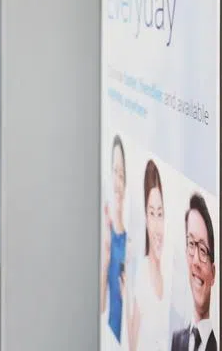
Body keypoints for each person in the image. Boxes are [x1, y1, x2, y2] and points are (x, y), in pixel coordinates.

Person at [127, 160, 171, 350]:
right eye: (151, 214)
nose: (156, 226)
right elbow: (132, 342)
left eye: (160, 214)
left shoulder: (168, 274)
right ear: (145, 218)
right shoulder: (141, 275)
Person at [170, 194, 217, 351]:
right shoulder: (176, 340)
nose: (195, 261)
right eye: (191, 244)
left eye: (203, 250)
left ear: (213, 272)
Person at [101, 135, 128, 343]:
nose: (118, 180)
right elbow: (101, 307)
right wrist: (105, 262)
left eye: (122, 174)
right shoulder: (108, 236)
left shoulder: (132, 243)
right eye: (114, 172)